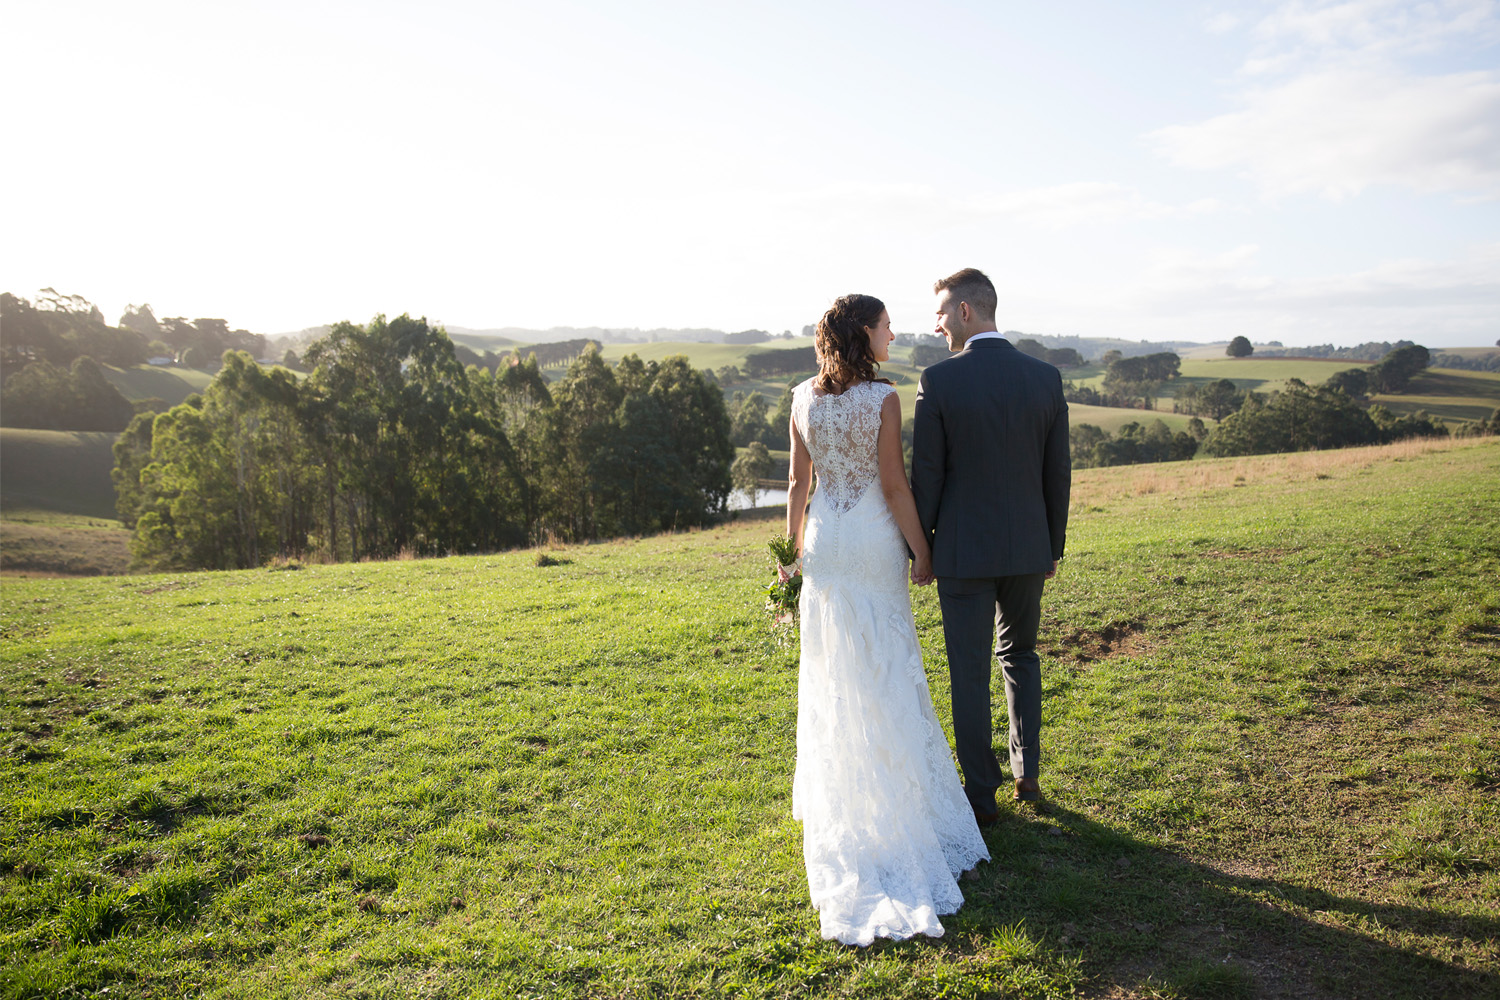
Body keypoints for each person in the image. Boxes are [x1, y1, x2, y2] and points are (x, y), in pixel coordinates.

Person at [782, 293, 989, 947]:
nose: (894, 335)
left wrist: (789, 557)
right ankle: (900, 803)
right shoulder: (885, 399)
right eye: (886, 326)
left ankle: (846, 791)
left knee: (835, 665)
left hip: (824, 543)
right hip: (871, 540)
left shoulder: (799, 397)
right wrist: (921, 550)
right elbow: (896, 486)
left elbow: (796, 484)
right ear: (862, 335)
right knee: (885, 664)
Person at [910, 268, 1070, 825]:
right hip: (1029, 547)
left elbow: (926, 475)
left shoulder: (939, 381)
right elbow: (1059, 474)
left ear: (965, 313)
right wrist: (1053, 544)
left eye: (939, 314)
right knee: (1022, 655)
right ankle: (1026, 771)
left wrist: (920, 549)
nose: (935, 326)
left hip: (961, 553)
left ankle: (981, 797)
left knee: (969, 671)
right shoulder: (1046, 379)